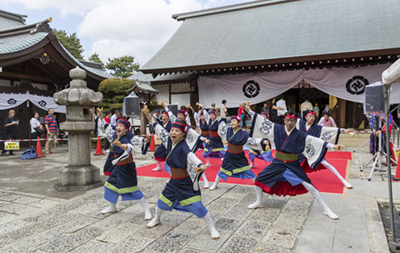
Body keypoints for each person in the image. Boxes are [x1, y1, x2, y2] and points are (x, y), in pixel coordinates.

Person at [243, 104, 343, 220]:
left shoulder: (300, 134)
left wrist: (332, 146)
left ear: (296, 121)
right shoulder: (277, 129)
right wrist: (250, 111)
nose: (289, 123)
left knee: (309, 186)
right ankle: (259, 201)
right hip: (278, 162)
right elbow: (262, 121)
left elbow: (315, 141)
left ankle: (327, 209)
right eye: (287, 120)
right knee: (259, 179)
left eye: (292, 120)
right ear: (284, 120)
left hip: (292, 164)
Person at [145, 113, 220, 239]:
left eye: (177, 131)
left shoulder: (183, 147)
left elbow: (192, 157)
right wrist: (149, 117)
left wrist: (201, 165)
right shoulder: (169, 140)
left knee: (197, 206)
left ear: (183, 134)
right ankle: (157, 219)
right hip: (173, 181)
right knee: (161, 201)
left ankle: (212, 227)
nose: (173, 132)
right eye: (172, 130)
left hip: (184, 182)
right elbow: (159, 129)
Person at [97, 109, 152, 219]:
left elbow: (130, 146)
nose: (118, 127)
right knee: (109, 186)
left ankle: (147, 210)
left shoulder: (129, 136)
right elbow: (105, 126)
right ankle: (112, 206)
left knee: (134, 190)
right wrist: (100, 116)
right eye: (117, 125)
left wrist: (123, 145)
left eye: (121, 126)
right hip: (117, 167)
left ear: (126, 129)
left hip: (127, 168)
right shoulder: (114, 133)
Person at [209, 114, 268, 190]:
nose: (232, 123)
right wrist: (218, 117)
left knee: (249, 172)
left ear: (239, 123)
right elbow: (221, 125)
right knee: (222, 170)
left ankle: (259, 186)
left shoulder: (244, 134)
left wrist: (263, 141)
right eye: (231, 122)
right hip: (229, 155)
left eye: (234, 121)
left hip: (239, 156)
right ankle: (215, 184)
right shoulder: (228, 130)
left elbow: (252, 140)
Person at [297, 110, 354, 188]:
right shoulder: (300, 124)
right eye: (310, 116)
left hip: (313, 151)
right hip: (300, 150)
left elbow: (331, 129)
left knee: (328, 165)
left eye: (313, 116)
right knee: (290, 164)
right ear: (306, 117)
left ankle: (343, 180)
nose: (312, 118)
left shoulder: (317, 128)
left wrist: (344, 130)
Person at [160, 102, 210, 188]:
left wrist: (203, 139)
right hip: (177, 146)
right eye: (178, 115)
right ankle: (172, 177)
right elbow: (170, 114)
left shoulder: (186, 126)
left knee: (195, 163)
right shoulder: (175, 121)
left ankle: (206, 181)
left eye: (181, 115)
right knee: (173, 162)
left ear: (185, 116)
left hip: (187, 146)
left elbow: (194, 134)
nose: (179, 116)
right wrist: (165, 107)